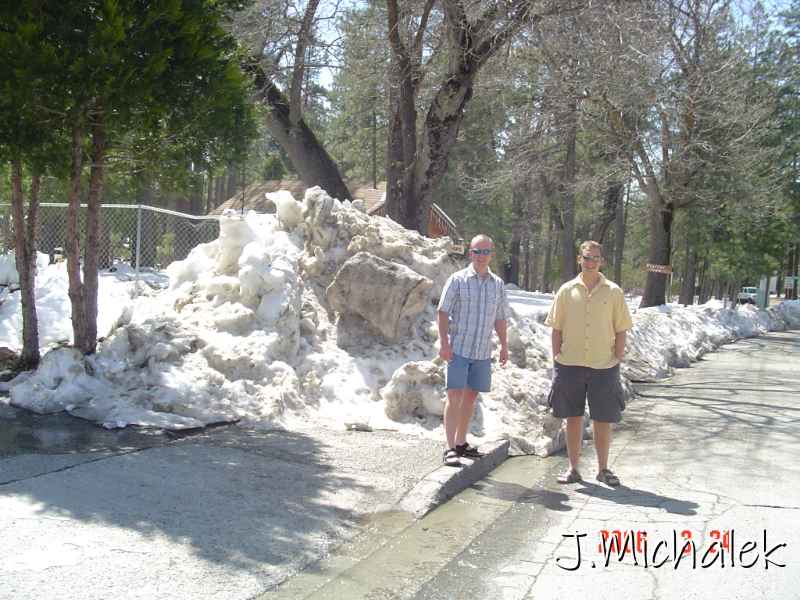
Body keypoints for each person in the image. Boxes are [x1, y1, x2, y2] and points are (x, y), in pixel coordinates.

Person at [545, 240, 633, 486]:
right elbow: (556, 328)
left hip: (604, 365)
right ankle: (573, 469)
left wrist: (617, 353)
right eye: (587, 257)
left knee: (602, 419)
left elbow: (622, 327)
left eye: (595, 258)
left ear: (602, 261)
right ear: (579, 259)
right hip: (570, 364)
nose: (591, 262)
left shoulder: (613, 292)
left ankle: (603, 469)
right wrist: (557, 358)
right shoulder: (566, 291)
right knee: (572, 418)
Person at [437, 234, 509, 467]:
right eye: (477, 251)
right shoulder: (457, 280)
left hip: (481, 351)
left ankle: (461, 442)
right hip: (458, 348)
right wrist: (444, 343)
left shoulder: (497, 284)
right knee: (454, 396)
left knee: (470, 397)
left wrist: (504, 345)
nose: (481, 256)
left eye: (486, 252)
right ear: (470, 253)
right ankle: (449, 448)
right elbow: (443, 312)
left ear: (491, 255)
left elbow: (500, 318)